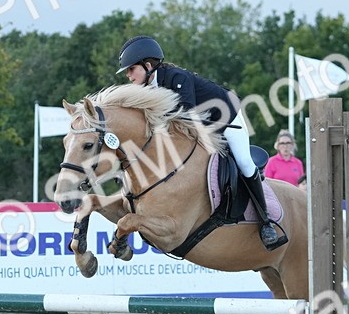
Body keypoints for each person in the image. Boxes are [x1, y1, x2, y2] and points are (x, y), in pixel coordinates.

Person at [116, 35, 285, 249]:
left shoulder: (176, 78)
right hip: (200, 127)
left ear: (147, 65)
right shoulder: (147, 89)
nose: (129, 76)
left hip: (227, 119)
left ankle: (266, 221)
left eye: (131, 70)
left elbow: (185, 117)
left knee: (243, 162)